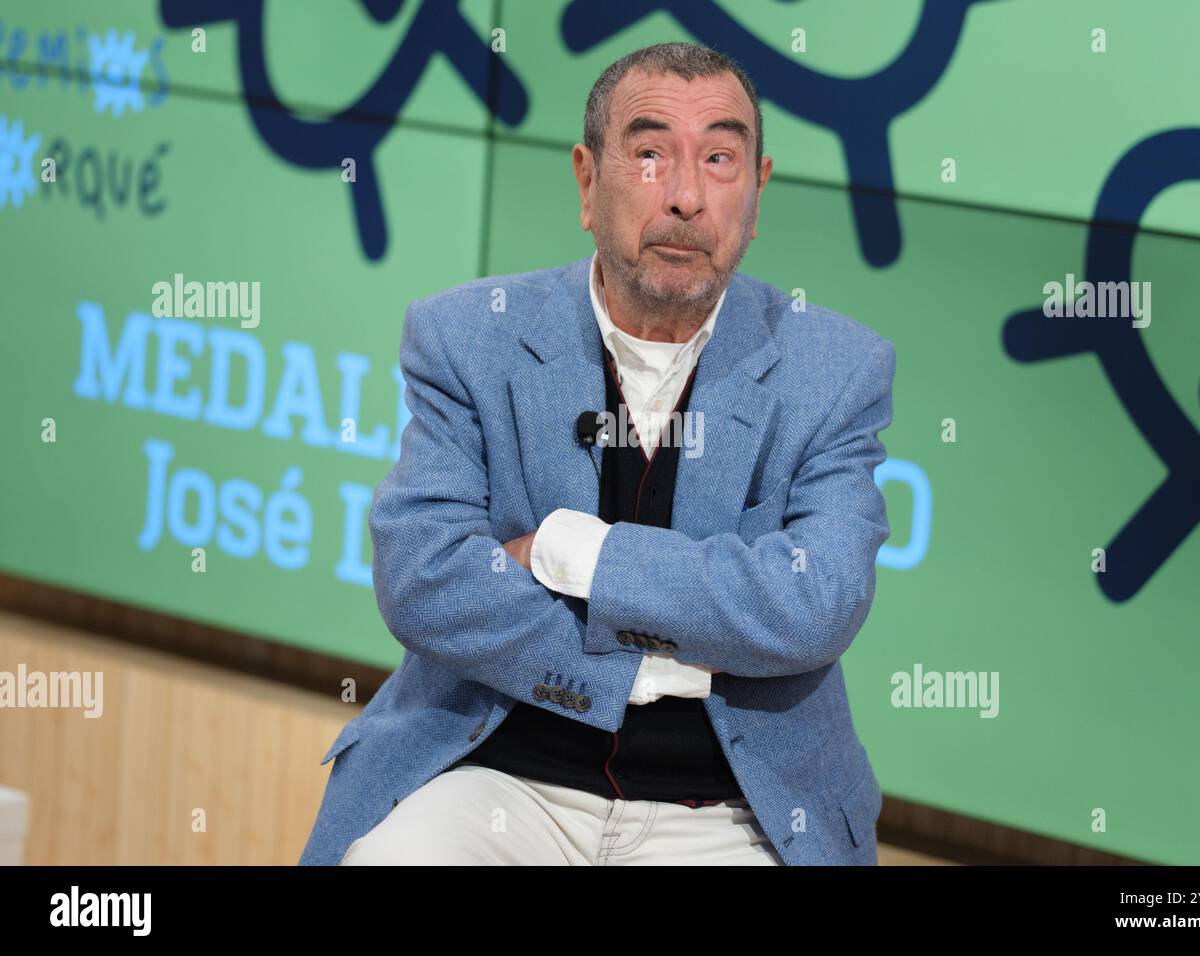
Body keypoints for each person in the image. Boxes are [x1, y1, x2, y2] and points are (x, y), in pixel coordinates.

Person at [299, 41, 895, 866]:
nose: (686, 197)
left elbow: (817, 602)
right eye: (650, 155)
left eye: (720, 159)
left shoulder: (835, 369)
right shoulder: (470, 336)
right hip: (497, 774)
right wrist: (683, 657)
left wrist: (566, 550)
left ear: (757, 194)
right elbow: (424, 580)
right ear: (588, 180)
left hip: (729, 803)